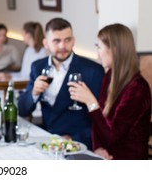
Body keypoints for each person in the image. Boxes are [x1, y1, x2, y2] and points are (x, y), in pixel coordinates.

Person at [18, 18, 105, 148]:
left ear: (73, 41)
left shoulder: (93, 70)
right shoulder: (37, 67)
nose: (63, 46)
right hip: (47, 141)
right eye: (56, 41)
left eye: (67, 40)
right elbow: (23, 109)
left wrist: (73, 139)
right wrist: (34, 92)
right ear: (46, 43)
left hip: (78, 144)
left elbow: (100, 118)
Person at [68, 23, 151, 159]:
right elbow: (98, 124)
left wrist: (91, 103)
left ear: (115, 50)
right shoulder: (109, 76)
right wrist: (98, 148)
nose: (97, 53)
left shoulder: (137, 89)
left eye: (99, 47)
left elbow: (113, 135)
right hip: (105, 156)